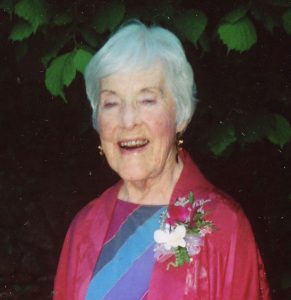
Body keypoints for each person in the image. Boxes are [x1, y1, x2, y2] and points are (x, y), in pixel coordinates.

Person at [53, 21, 270, 300]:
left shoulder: (226, 226)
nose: (127, 120)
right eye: (111, 103)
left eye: (147, 100)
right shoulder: (82, 227)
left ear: (180, 115)